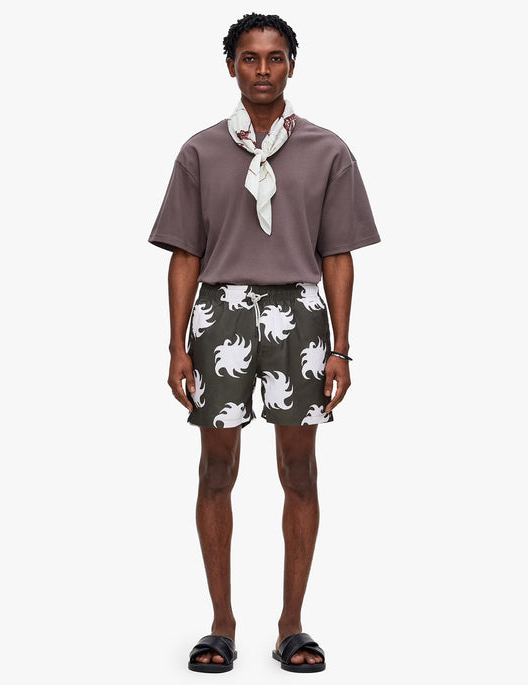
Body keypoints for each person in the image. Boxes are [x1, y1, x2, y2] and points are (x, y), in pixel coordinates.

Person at [148, 12, 380, 673]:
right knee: (215, 469)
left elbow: (337, 255)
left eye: (275, 58)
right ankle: (220, 624)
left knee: (299, 471)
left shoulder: (328, 151)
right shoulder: (199, 151)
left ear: (291, 66)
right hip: (220, 310)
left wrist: (340, 348)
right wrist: (177, 346)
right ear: (230, 66)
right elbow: (185, 254)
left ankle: (291, 625)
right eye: (249, 58)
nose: (262, 70)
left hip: (298, 313)